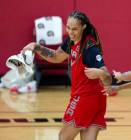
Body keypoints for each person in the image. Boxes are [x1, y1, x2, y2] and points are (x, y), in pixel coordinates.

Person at [22, 11, 112, 140]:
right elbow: (57, 57)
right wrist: (36, 47)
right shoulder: (71, 40)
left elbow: (108, 78)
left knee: (64, 137)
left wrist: (102, 73)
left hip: (85, 98)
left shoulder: (89, 48)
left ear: (84, 27)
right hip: (94, 98)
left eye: (75, 29)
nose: (70, 32)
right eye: (68, 27)